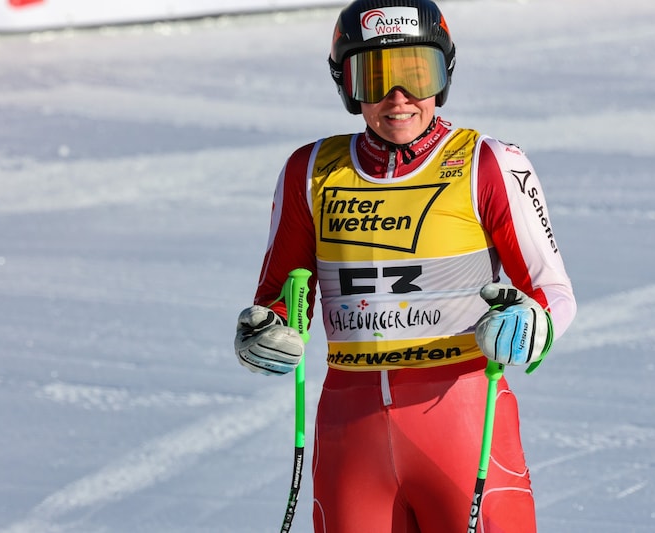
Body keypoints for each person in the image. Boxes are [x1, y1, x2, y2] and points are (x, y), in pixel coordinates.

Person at [233, 0, 576, 531]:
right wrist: (265, 333)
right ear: (347, 86)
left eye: (417, 73)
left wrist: (535, 322)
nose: (398, 97)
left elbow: (551, 288)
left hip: (461, 421)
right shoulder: (310, 171)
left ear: (444, 76)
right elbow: (279, 299)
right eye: (374, 75)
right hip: (352, 434)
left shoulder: (487, 164)